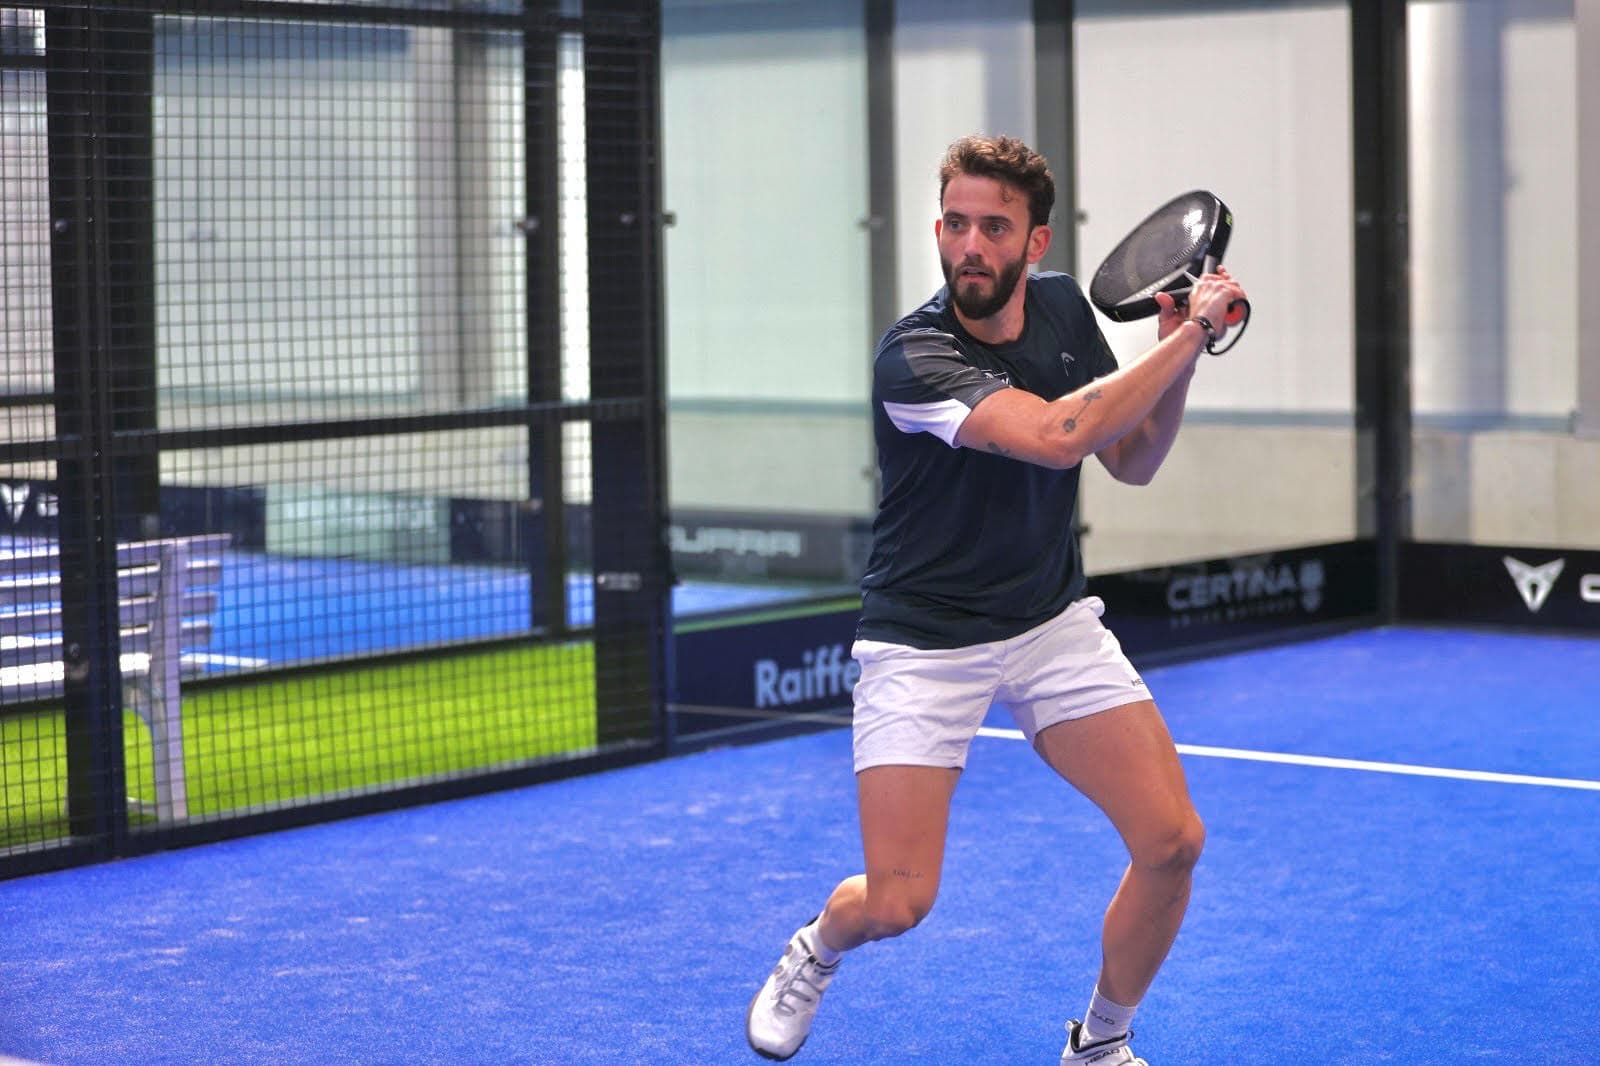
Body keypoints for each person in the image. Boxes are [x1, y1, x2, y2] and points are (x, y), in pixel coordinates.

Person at [743, 134, 1249, 1065]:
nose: (969, 245)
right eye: (955, 224)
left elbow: (1132, 458)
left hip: (1049, 623)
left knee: (1173, 841)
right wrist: (1185, 335)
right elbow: (1059, 436)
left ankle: (1099, 1045)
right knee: (898, 902)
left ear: (1035, 242)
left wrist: (1185, 352)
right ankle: (817, 944)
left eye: (994, 227)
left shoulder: (1060, 309)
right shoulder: (913, 356)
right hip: (922, 642)